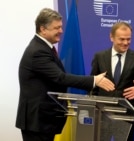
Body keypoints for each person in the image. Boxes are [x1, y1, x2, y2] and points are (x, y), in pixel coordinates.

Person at [15, 8, 115, 141]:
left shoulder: (43, 48)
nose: (61, 31)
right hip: (37, 122)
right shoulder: (38, 52)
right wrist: (93, 80)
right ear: (43, 29)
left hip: (43, 121)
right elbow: (60, 78)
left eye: (61, 27)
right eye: (57, 28)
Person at [90, 22, 134, 140]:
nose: (126, 43)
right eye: (122, 39)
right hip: (103, 116)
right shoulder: (100, 57)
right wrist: (92, 112)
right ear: (111, 37)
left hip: (126, 117)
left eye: (128, 39)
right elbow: (93, 87)